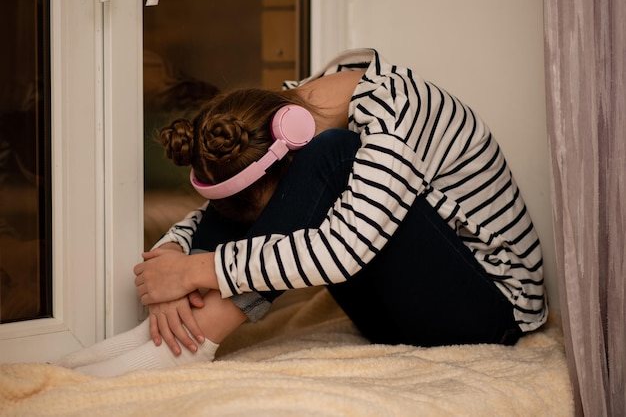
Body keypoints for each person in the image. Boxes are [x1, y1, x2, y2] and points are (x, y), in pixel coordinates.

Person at [56, 48, 547, 377]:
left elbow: (345, 248)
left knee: (333, 152)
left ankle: (197, 339)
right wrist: (172, 254)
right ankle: (169, 335)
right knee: (319, 157)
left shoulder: (393, 117)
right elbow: (243, 202)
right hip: (396, 318)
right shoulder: (295, 111)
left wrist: (197, 270)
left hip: (486, 317)